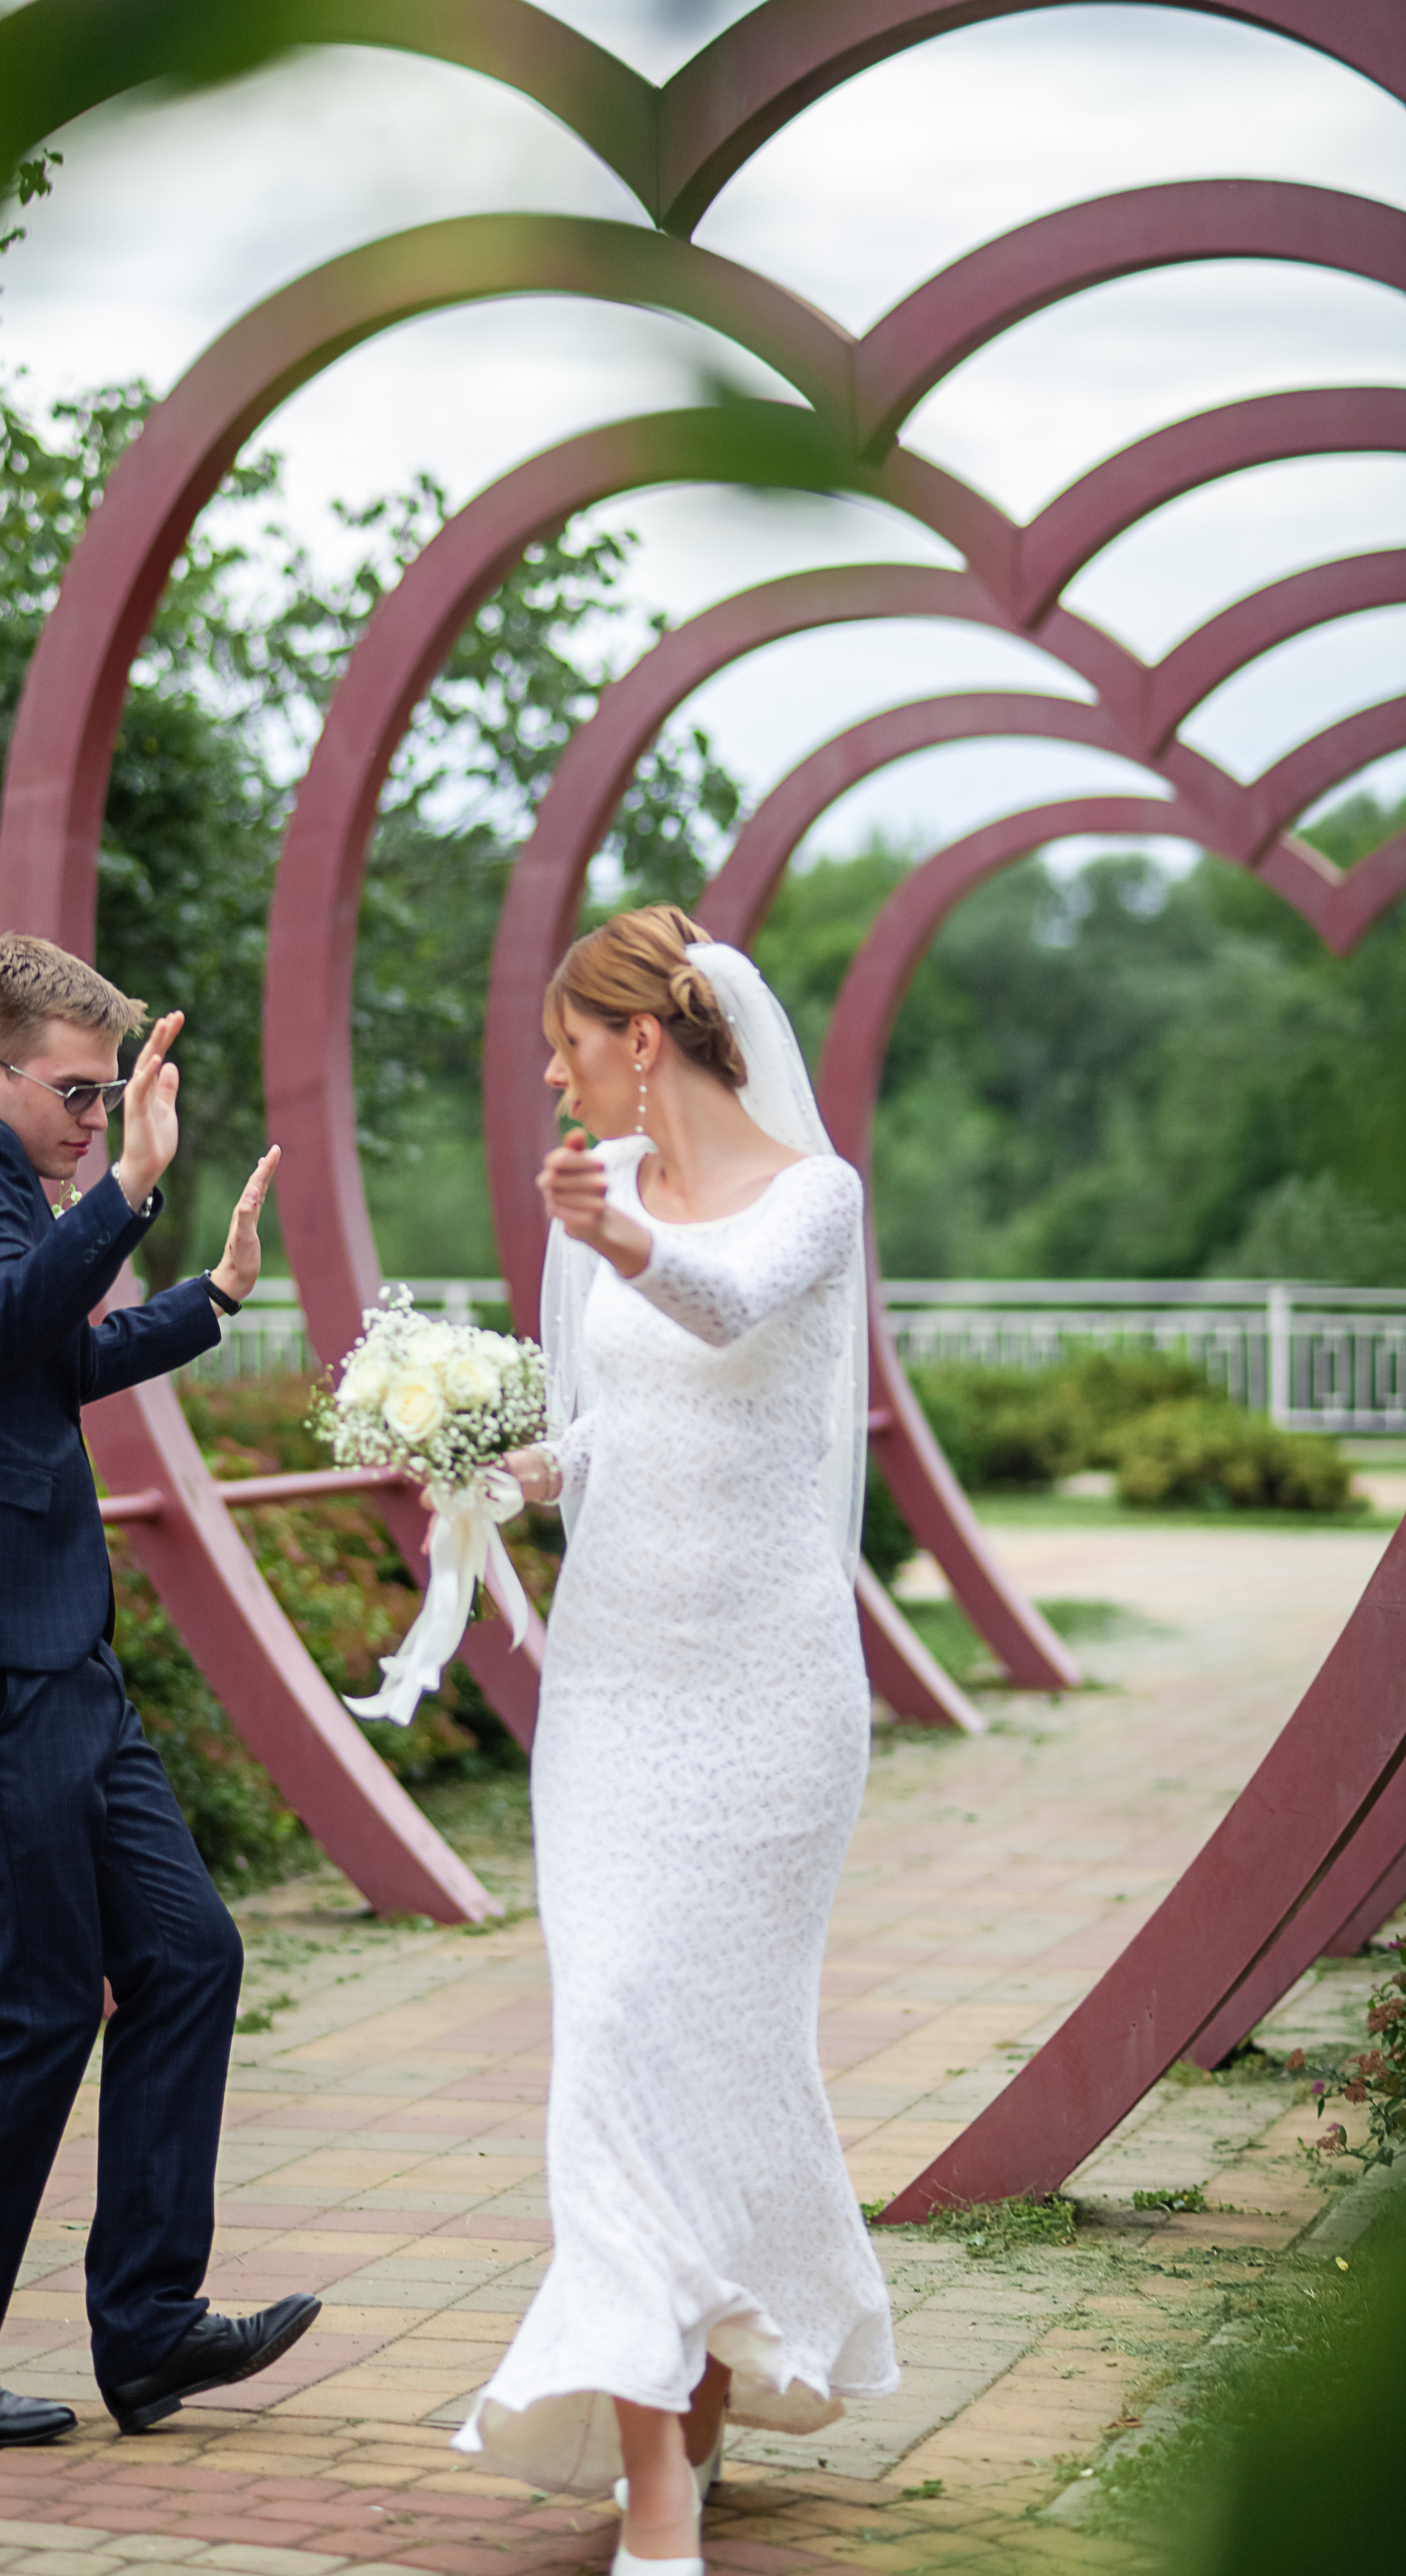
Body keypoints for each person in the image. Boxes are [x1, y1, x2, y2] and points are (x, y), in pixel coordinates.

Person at [453, 907, 898, 2574]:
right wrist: (498, 1465)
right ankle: (655, 2477)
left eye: (568, 1046)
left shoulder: (814, 1198)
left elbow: (723, 1312)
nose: (555, 1079)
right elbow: (612, 1422)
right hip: (615, 1689)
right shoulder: (600, 1200)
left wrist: (621, 1241)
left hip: (770, 1704)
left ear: (643, 1040)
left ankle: (697, 2368)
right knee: (616, 2028)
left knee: (723, 2049)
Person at [0, 933, 320, 2447]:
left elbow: (31, 1359)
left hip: (45, 1657)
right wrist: (125, 1195)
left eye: (112, 1102)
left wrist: (212, 1297)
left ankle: (149, 2327)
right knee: (41, 2005)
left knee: (187, 1952)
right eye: (80, 1095)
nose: (98, 1122)